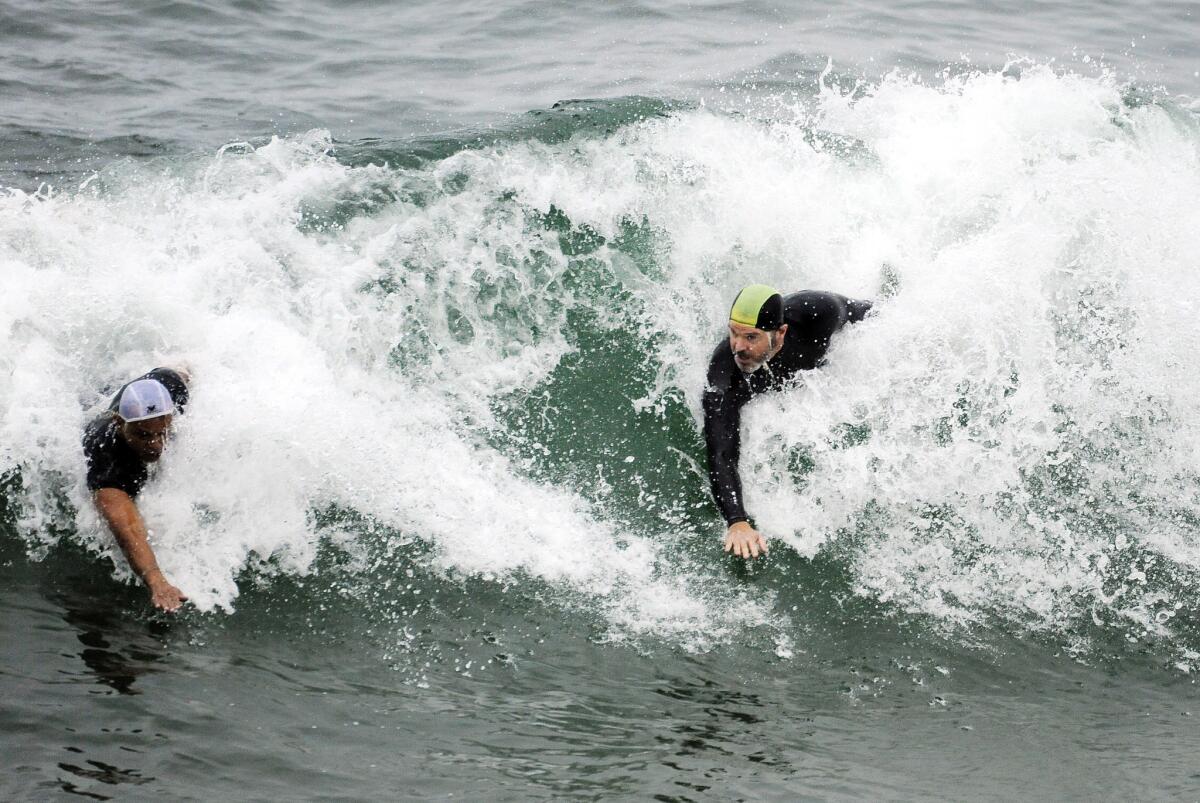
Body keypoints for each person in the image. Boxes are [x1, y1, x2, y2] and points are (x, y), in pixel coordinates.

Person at [703, 285, 872, 559]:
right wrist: (737, 520)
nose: (739, 347)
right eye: (733, 333)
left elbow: (869, 317)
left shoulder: (817, 312)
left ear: (780, 332)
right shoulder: (724, 374)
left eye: (751, 337)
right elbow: (721, 450)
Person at [82, 367, 190, 611]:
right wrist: (157, 581)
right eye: (143, 435)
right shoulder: (105, 454)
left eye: (161, 433)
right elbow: (128, 529)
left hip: (164, 375)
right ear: (120, 422)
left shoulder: (172, 390)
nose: (155, 446)